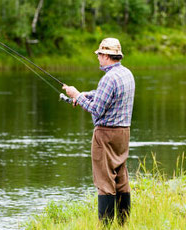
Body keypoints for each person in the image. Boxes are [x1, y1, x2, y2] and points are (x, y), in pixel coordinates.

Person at [62, 38, 135, 226]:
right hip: (123, 134)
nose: (98, 58)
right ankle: (123, 223)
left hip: (105, 135)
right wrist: (88, 94)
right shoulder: (126, 74)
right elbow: (108, 96)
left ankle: (106, 226)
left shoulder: (108, 78)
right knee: (121, 178)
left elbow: (97, 110)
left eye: (99, 55)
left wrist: (76, 95)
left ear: (107, 56)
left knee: (104, 182)